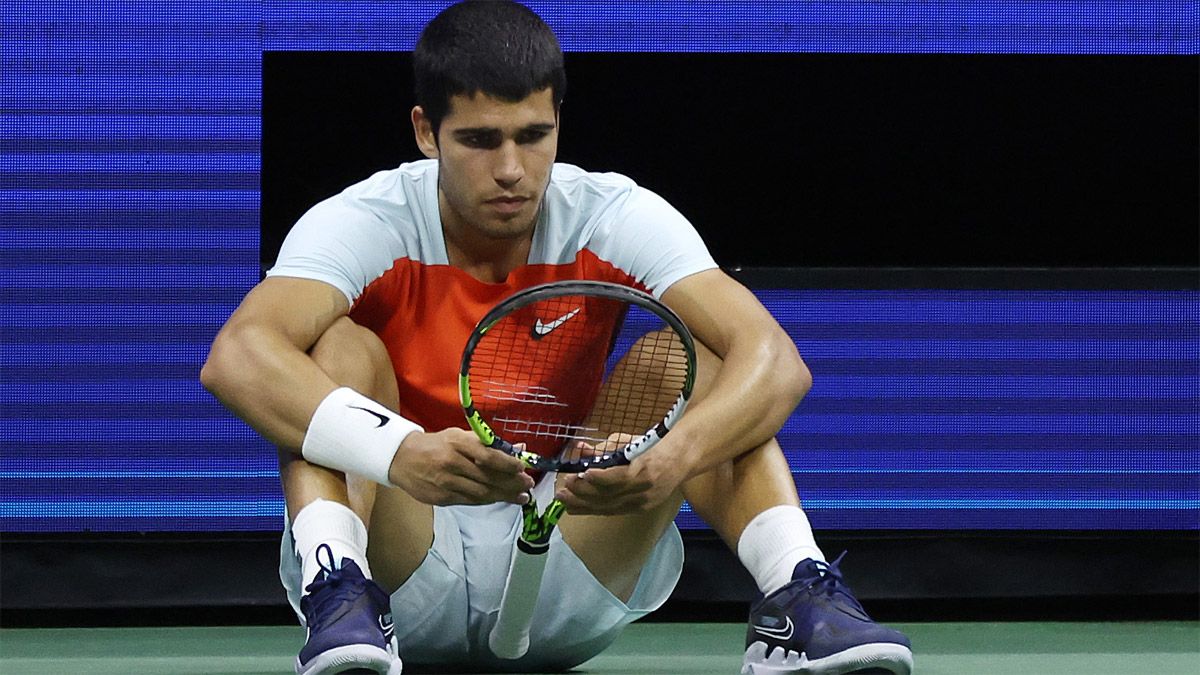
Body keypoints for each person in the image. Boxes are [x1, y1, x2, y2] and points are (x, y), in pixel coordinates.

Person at [201, 2, 913, 674]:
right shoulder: (366, 220)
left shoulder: (612, 213)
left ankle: (798, 594)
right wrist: (402, 452)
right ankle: (338, 587)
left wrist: (673, 459)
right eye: (480, 140)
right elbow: (238, 356)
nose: (510, 169)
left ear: (557, 125)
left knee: (693, 359)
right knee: (333, 350)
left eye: (532, 136)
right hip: (400, 557)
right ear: (426, 132)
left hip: (570, 546)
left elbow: (775, 360)